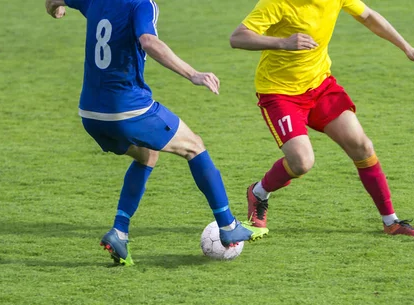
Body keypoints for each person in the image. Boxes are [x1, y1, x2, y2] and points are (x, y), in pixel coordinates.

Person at [45, 0, 268, 266]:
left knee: (147, 156)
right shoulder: (142, 4)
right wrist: (193, 74)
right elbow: (149, 41)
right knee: (194, 146)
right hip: (128, 109)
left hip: (91, 114)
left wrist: (55, 8)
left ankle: (119, 232)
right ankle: (228, 224)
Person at [230, 0, 414, 238]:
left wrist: (406, 48)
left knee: (362, 147)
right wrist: (283, 42)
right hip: (280, 93)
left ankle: (391, 222)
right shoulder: (276, 3)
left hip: (320, 87)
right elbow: (238, 37)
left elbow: (368, 16)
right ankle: (259, 192)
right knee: (302, 163)